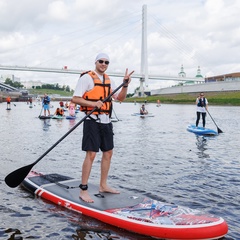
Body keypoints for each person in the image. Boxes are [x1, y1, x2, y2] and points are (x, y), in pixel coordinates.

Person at [72, 53, 134, 203]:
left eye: (106, 62)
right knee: (91, 154)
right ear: (96, 62)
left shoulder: (109, 80)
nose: (103, 64)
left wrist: (125, 85)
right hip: (92, 120)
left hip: (106, 122)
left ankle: (103, 185)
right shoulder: (86, 78)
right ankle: (83, 190)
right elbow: (75, 98)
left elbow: (120, 98)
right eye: (101, 61)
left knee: (108, 153)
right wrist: (94, 104)